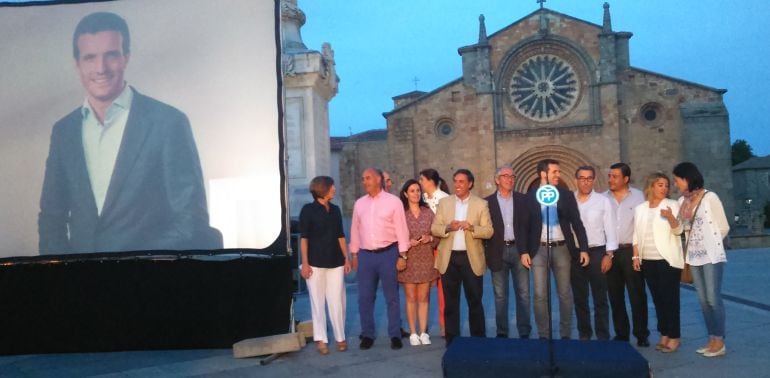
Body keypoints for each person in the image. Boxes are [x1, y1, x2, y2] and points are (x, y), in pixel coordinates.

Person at [38, 12, 221, 254]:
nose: (100, 68)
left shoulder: (167, 123)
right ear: (77, 64)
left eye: (111, 55)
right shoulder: (63, 131)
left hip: (146, 280)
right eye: (90, 57)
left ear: (126, 57)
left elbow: (191, 221)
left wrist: (131, 263)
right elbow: (51, 218)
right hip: (81, 285)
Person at [523, 159, 589, 340]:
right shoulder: (530, 196)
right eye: (555, 172)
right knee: (539, 295)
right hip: (538, 250)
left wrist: (583, 248)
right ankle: (544, 336)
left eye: (559, 172)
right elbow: (523, 226)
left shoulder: (565, 195)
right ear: (543, 174)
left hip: (562, 248)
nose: (558, 175)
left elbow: (577, 222)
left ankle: (565, 335)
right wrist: (523, 251)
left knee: (565, 293)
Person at [350, 168, 411, 350]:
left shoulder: (394, 202)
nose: (364, 181)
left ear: (378, 179)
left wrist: (403, 255)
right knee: (365, 297)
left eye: (368, 178)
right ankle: (367, 334)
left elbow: (401, 229)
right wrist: (354, 254)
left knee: (391, 296)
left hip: (388, 254)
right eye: (363, 178)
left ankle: (395, 334)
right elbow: (355, 229)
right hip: (366, 256)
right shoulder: (359, 204)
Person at [673, 162, 730, 357]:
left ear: (686, 178)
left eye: (677, 179)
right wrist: (673, 221)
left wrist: (711, 244)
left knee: (714, 299)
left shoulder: (710, 197)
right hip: (693, 257)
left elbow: (723, 226)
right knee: (703, 300)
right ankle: (712, 338)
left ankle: (720, 341)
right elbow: (679, 230)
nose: (676, 183)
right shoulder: (682, 202)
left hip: (711, 256)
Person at [431, 169, 493, 346]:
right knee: (451, 303)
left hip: (470, 258)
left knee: (475, 301)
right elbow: (435, 228)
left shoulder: (481, 204)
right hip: (449, 259)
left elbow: (489, 231)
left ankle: (478, 340)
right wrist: (448, 227)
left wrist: (472, 227)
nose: (457, 185)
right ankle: (452, 340)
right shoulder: (444, 203)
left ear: (470, 184)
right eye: (455, 181)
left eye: (461, 182)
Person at [299, 176, 351, 355]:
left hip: (336, 262)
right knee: (317, 302)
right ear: (323, 189)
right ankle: (321, 338)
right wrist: (305, 263)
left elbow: (340, 236)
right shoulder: (308, 210)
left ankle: (340, 336)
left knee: (337, 301)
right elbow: (304, 239)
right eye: (332, 187)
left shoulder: (335, 210)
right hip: (314, 263)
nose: (334, 190)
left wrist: (347, 258)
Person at [632, 172, 683, 353]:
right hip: (648, 260)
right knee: (658, 300)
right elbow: (636, 234)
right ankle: (664, 334)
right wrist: (635, 256)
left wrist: (670, 217)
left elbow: (678, 231)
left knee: (670, 300)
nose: (664, 188)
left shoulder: (672, 205)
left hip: (667, 260)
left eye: (666, 185)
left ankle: (675, 336)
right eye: (660, 185)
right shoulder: (640, 208)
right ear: (651, 186)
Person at [484, 165, 534, 339]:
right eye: (506, 176)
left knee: (524, 294)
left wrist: (527, 250)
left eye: (513, 176)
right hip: (498, 252)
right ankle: (502, 332)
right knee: (500, 296)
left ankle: (525, 331)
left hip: (519, 251)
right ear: (497, 180)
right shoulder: (487, 202)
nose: (510, 179)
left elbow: (530, 227)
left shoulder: (523, 200)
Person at [604, 163, 650, 347]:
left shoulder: (639, 197)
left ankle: (641, 334)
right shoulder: (602, 198)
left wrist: (639, 254)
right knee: (615, 295)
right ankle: (621, 333)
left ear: (625, 179)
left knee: (637, 294)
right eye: (609, 176)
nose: (610, 179)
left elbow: (645, 224)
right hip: (610, 252)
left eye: (614, 176)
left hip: (632, 250)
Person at [571, 166, 618, 340]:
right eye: (582, 178)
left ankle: (603, 335)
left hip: (598, 252)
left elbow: (611, 228)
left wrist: (609, 254)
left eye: (589, 178)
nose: (586, 181)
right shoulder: (569, 201)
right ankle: (585, 334)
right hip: (575, 254)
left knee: (600, 297)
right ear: (576, 180)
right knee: (580, 297)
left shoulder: (602, 201)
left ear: (594, 180)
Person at [396, 179, 440, 346]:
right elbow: (395, 236)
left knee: (424, 297)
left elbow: (437, 235)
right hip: (408, 259)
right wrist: (408, 242)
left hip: (426, 258)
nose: (415, 193)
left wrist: (430, 238)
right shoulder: (401, 213)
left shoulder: (428, 212)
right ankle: (413, 332)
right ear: (406, 194)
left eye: (418, 190)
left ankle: (423, 332)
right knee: (410, 296)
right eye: (412, 191)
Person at [418, 168, 449, 336]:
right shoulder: (421, 199)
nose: (420, 183)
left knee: (442, 289)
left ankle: (444, 324)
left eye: (422, 180)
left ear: (430, 181)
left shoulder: (445, 199)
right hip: (422, 250)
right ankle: (422, 325)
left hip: (441, 247)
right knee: (422, 288)